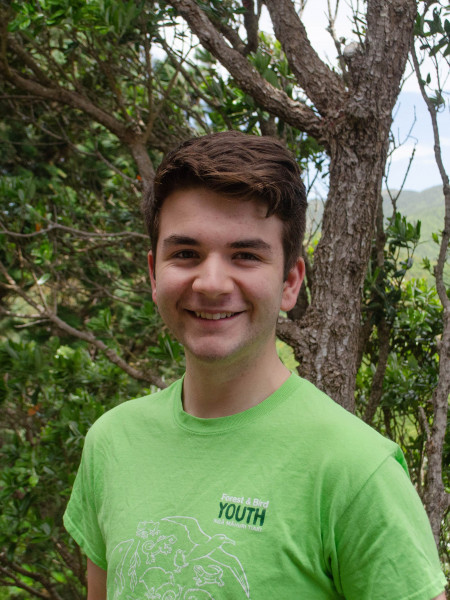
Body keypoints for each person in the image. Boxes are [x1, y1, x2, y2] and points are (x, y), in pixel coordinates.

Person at [64, 131, 446, 600]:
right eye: (186, 254)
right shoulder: (112, 443)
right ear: (153, 274)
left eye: (245, 255)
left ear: (290, 281)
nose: (211, 282)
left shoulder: (355, 471)